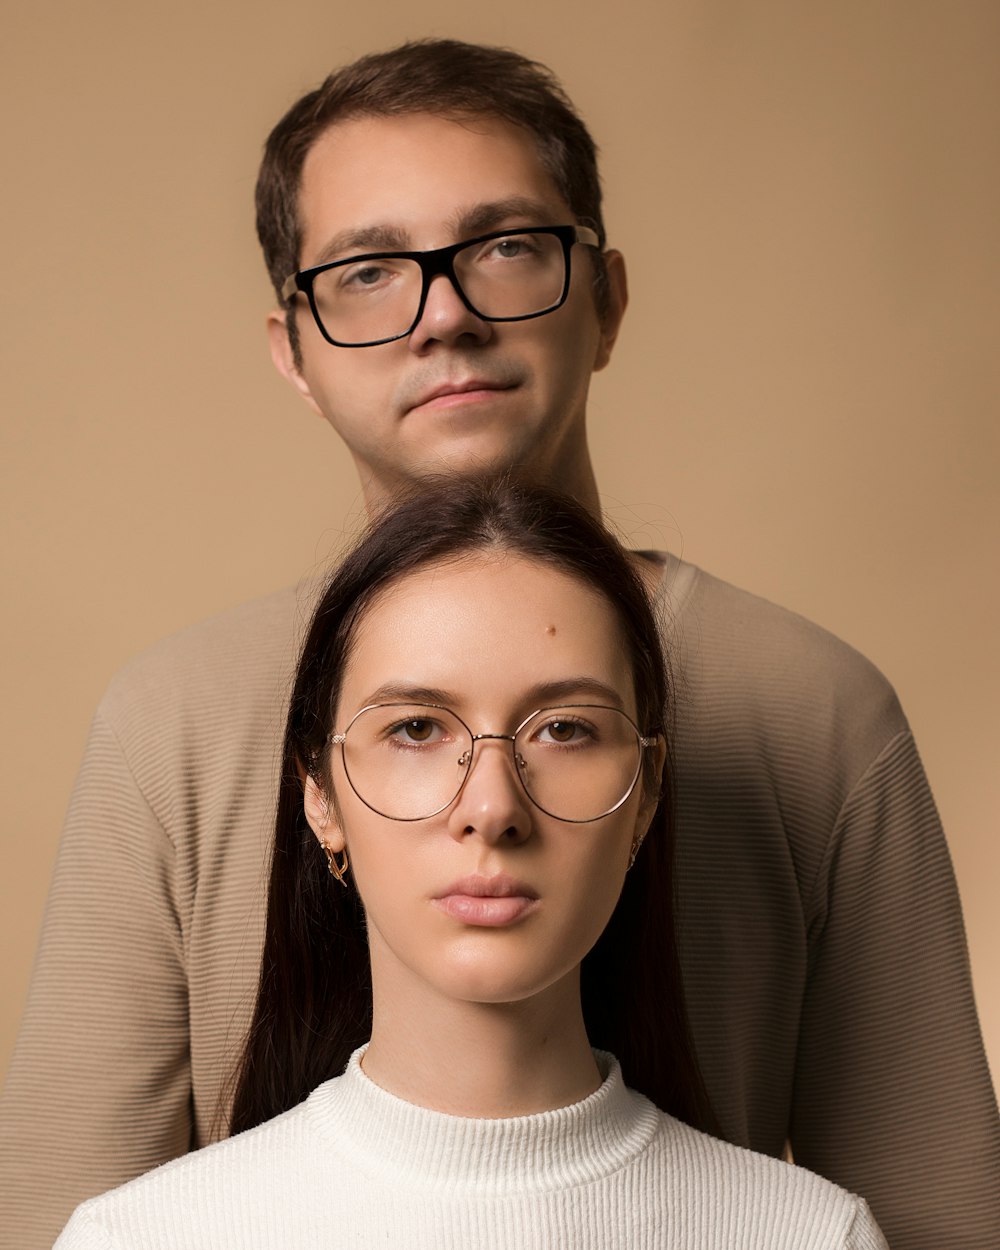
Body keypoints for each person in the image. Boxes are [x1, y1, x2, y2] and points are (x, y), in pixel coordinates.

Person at [1, 38, 996, 1250]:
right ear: (294, 352)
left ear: (608, 299)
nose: (446, 317)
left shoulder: (815, 706)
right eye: (369, 270)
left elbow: (939, 1213)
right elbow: (58, 1206)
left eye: (508, 249)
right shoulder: (173, 716)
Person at [54, 477, 888, 1249]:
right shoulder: (139, 1239)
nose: (491, 808)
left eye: (565, 728)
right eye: (416, 729)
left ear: (646, 792)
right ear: (319, 795)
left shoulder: (808, 1237)